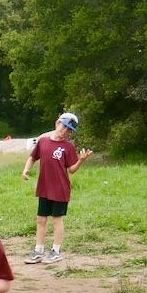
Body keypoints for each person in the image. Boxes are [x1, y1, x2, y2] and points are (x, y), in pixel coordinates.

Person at [21, 112, 93, 263]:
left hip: (60, 189)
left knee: (56, 220)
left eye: (69, 130)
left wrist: (81, 161)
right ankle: (38, 250)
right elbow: (33, 157)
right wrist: (26, 170)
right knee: (41, 219)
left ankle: (56, 251)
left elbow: (71, 170)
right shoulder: (43, 142)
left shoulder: (68, 147)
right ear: (57, 123)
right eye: (64, 126)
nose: (65, 131)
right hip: (44, 188)